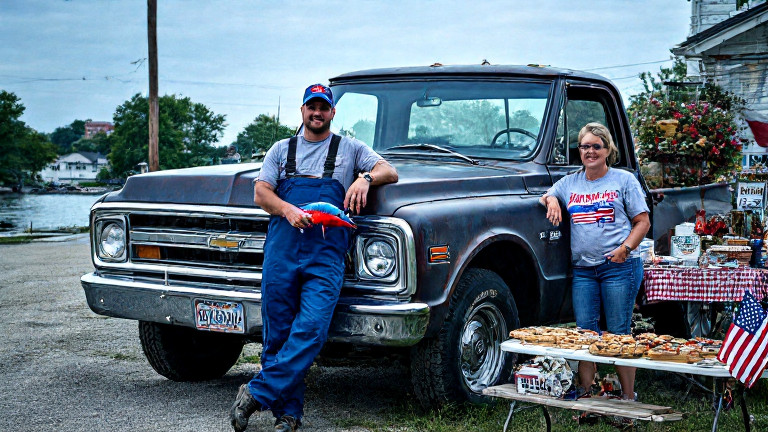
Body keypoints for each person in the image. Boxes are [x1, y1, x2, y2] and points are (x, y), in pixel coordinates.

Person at [229, 83, 398, 432]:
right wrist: (288, 210)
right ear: (302, 111)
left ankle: (256, 391)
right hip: (282, 251)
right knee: (277, 335)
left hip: (325, 256)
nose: (317, 113)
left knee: (312, 330)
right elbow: (262, 193)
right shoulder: (280, 150)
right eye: (311, 106)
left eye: (324, 107)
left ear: (332, 113)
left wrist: (365, 177)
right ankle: (288, 415)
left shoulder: (349, 148)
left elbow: (389, 171)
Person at [539, 122, 650, 401]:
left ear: (607, 149)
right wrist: (552, 201)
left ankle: (627, 398)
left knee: (619, 333)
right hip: (584, 270)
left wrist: (625, 248)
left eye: (596, 146)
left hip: (619, 267)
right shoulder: (570, 182)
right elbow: (548, 193)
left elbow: (642, 221)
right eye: (585, 146)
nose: (590, 152)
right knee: (585, 333)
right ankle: (587, 397)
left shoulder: (624, 180)